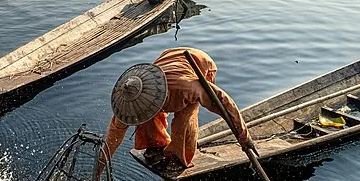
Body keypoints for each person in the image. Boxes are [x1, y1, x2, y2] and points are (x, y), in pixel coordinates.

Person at [104, 47, 253, 170]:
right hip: (169, 57)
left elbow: (224, 102)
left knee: (184, 119)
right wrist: (97, 175)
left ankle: (179, 157)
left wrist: (244, 137)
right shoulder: (129, 101)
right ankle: (156, 145)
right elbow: (113, 138)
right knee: (146, 117)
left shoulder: (187, 88)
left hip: (199, 65)